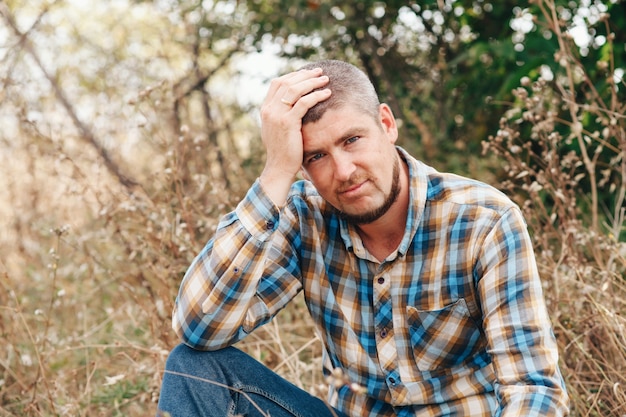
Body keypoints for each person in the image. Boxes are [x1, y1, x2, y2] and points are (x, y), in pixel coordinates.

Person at [156, 59, 570, 417]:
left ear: (386, 124)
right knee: (191, 370)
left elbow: (532, 388)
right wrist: (275, 173)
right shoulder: (304, 215)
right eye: (316, 156)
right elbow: (198, 329)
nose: (344, 171)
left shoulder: (484, 220)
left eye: (352, 140)